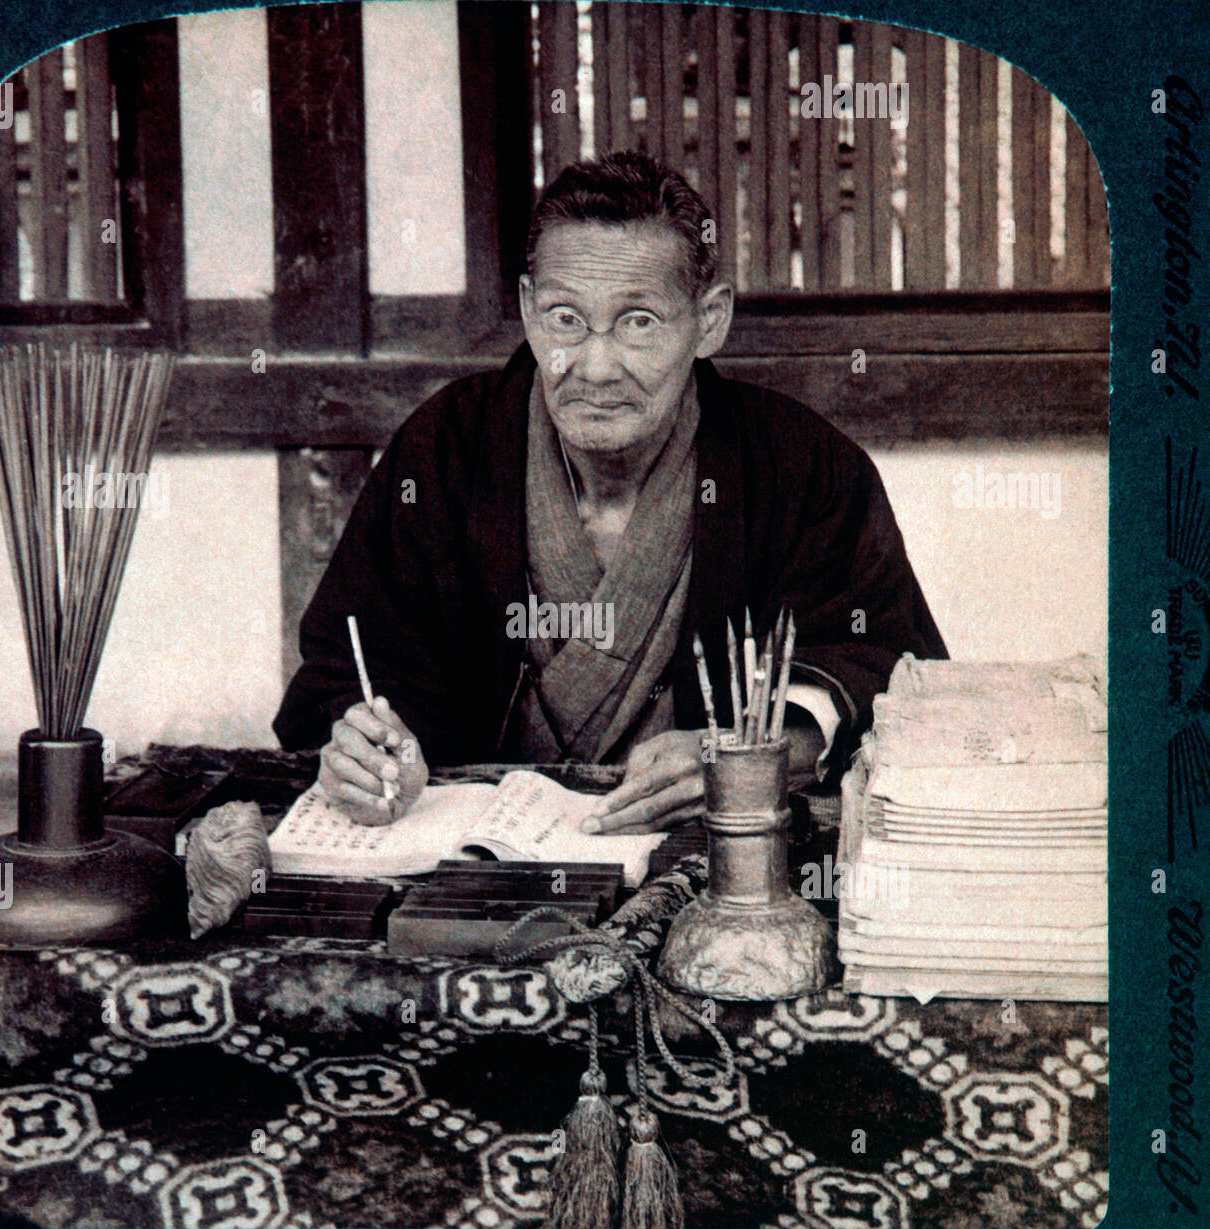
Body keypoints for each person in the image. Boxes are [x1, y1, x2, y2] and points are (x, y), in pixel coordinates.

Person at [274, 151, 946, 832]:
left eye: (639, 323)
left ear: (709, 319)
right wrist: (365, 748)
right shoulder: (446, 451)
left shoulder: (802, 468)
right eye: (566, 319)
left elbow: (891, 668)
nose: (595, 367)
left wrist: (761, 754)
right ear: (528, 310)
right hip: (481, 873)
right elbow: (346, 666)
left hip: (713, 864)